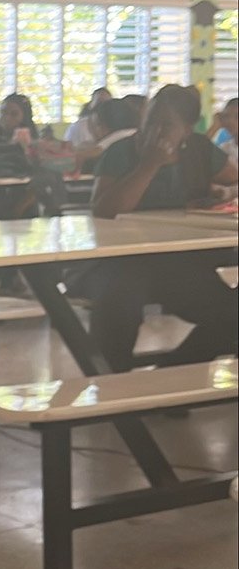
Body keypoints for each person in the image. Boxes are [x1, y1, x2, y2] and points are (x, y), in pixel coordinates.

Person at [84, 83, 238, 370]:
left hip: (180, 263)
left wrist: (222, 193)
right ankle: (113, 388)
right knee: (118, 305)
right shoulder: (122, 152)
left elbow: (233, 179)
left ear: (188, 130)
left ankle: (174, 373)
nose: (154, 130)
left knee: (231, 312)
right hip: (123, 262)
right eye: (150, 120)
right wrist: (149, 165)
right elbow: (104, 210)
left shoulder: (198, 151)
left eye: (165, 125)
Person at [211, 97, 238, 165]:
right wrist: (215, 127)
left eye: (237, 117)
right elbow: (197, 153)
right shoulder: (225, 149)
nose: (230, 121)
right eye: (226, 116)